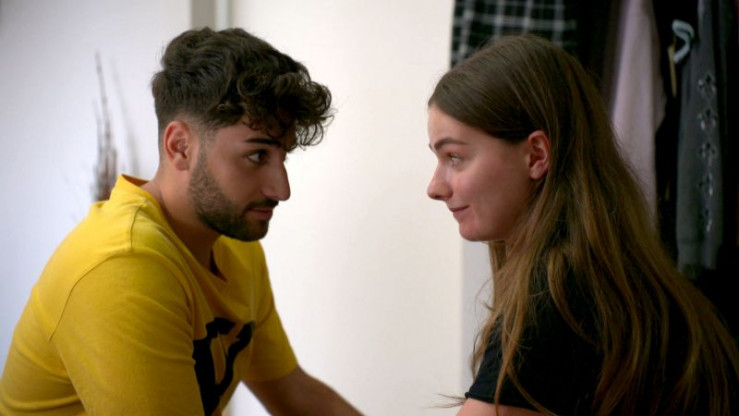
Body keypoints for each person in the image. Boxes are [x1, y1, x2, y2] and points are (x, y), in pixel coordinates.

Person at [0, 27, 363, 416]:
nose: (282, 189)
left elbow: (294, 394)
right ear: (180, 147)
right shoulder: (122, 266)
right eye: (257, 156)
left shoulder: (235, 246)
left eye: (283, 157)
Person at [425, 34, 739, 416]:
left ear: (536, 155)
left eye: (454, 157)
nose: (435, 187)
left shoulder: (555, 301)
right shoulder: (616, 283)